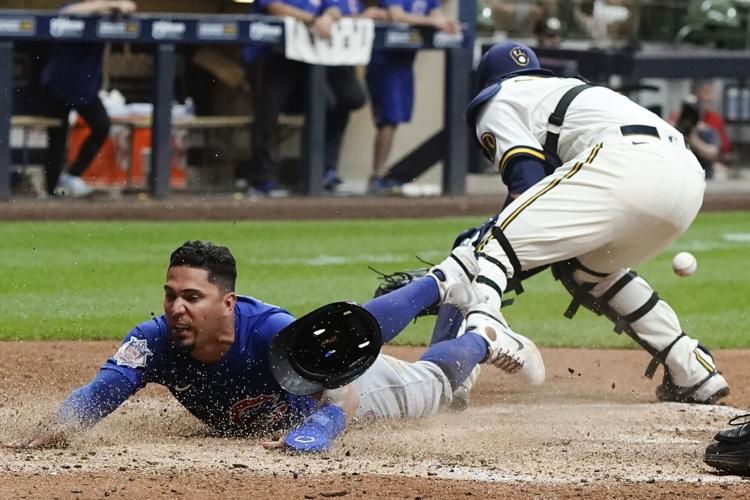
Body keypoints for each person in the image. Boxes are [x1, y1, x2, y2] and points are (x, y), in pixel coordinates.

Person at [3, 240, 542, 452]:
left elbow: (344, 398)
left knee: (442, 385)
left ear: (228, 302)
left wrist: (316, 433)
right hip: (300, 397)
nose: (176, 308)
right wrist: (55, 427)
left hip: (361, 386)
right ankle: (449, 289)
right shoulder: (153, 343)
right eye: (170, 296)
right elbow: (100, 393)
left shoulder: (269, 332)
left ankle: (479, 332)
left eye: (192, 296)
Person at [452, 41, 729, 404]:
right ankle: (691, 367)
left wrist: (475, 257)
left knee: (484, 248)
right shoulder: (563, 90)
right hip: (687, 178)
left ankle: (473, 342)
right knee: (587, 269)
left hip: (623, 165)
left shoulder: (498, 98)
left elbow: (526, 184)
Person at [241, 0, 373, 196]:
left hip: (305, 55)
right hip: (270, 53)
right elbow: (273, 7)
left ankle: (320, 172)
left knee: (333, 102)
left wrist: (328, 17)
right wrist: (312, 20)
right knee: (267, 113)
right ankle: (262, 179)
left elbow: (337, 6)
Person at [40, 0, 137, 198]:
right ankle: (51, 191)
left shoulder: (108, 12)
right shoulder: (81, 7)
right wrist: (102, 4)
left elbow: (130, 6)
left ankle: (72, 175)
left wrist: (118, 6)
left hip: (86, 86)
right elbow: (66, 11)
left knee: (101, 126)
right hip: (59, 82)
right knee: (57, 139)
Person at [365, 0, 460, 194]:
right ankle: (378, 175)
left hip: (404, 61)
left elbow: (436, 15)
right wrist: (431, 22)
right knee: (388, 118)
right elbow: (396, 15)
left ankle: (381, 175)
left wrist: (447, 23)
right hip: (384, 58)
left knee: (396, 117)